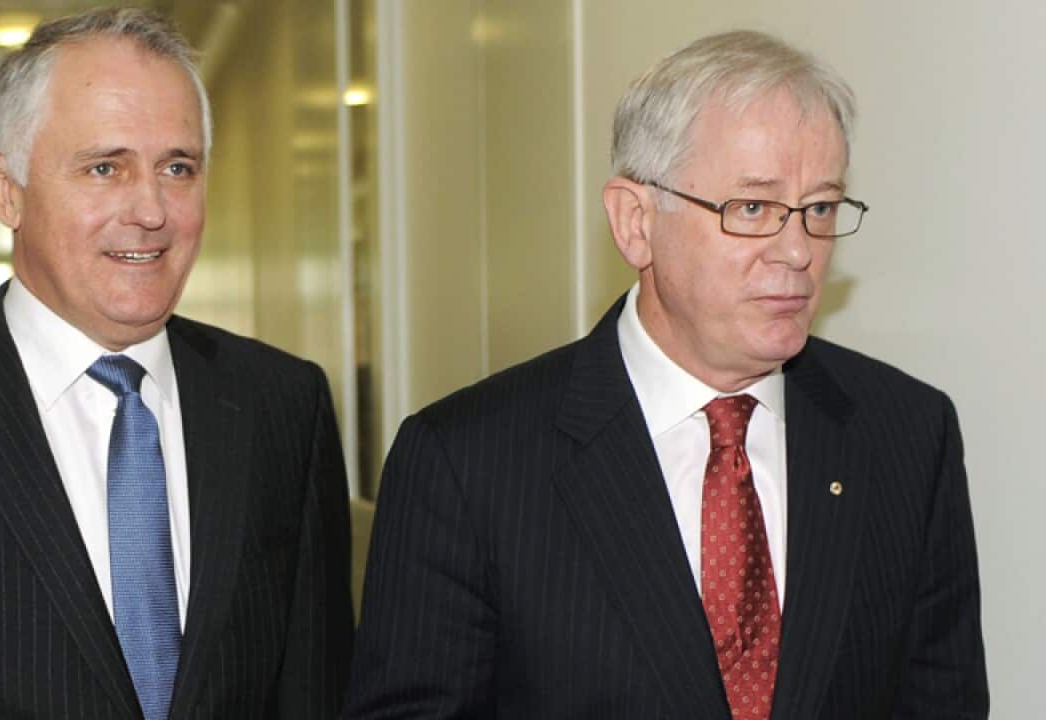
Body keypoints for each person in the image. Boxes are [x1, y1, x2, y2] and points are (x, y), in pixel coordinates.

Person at [345, 31, 987, 719]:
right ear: (636, 222)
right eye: (753, 208)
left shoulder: (908, 435)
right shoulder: (465, 464)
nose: (798, 251)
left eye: (821, 208)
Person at [0, 8, 353, 718]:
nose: (151, 210)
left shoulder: (283, 405)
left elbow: (315, 688)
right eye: (105, 167)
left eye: (178, 167)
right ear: (5, 190)